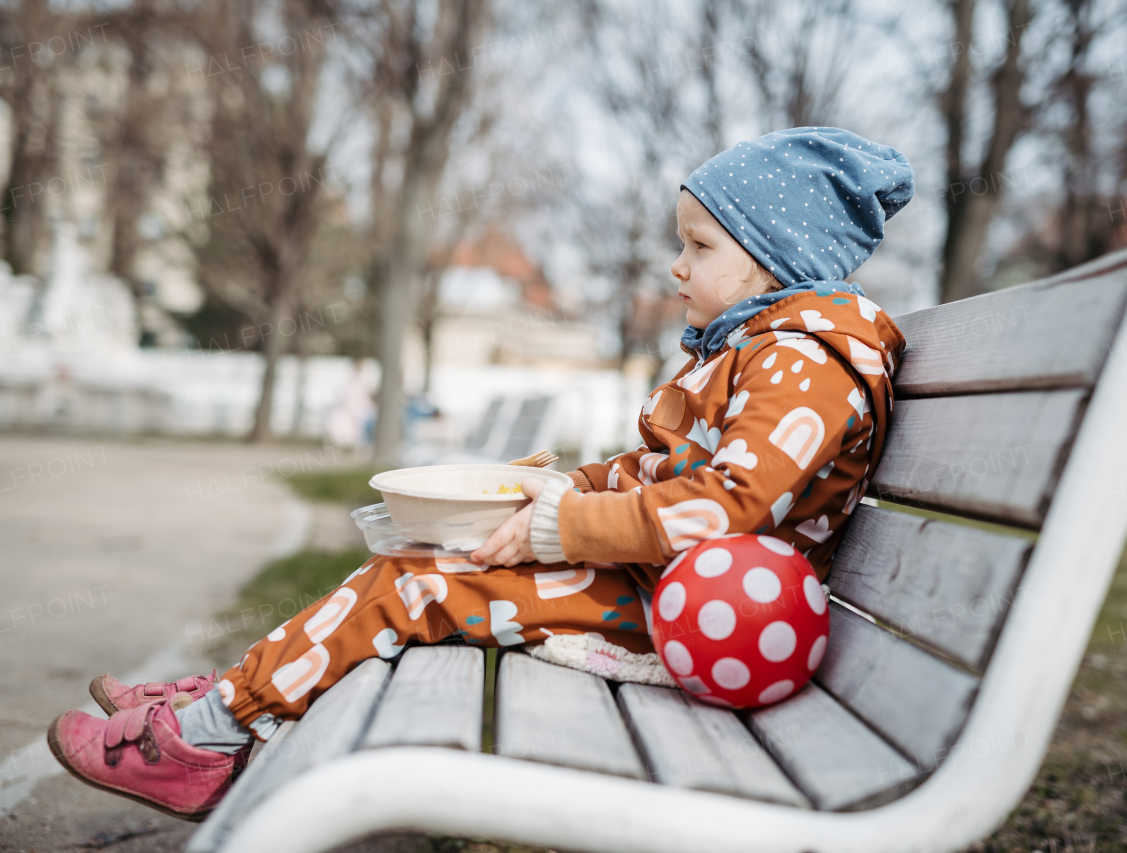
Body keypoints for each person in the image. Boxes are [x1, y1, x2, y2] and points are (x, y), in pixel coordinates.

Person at [47, 127, 914, 819]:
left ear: (771, 258)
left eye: (698, 245)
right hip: (666, 588)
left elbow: (730, 506)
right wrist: (565, 488)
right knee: (417, 555)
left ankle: (199, 743)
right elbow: (664, 473)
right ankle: (228, 700)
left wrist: (563, 525)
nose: (675, 266)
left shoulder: (806, 360)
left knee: (420, 584)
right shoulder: (769, 349)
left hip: (693, 620)